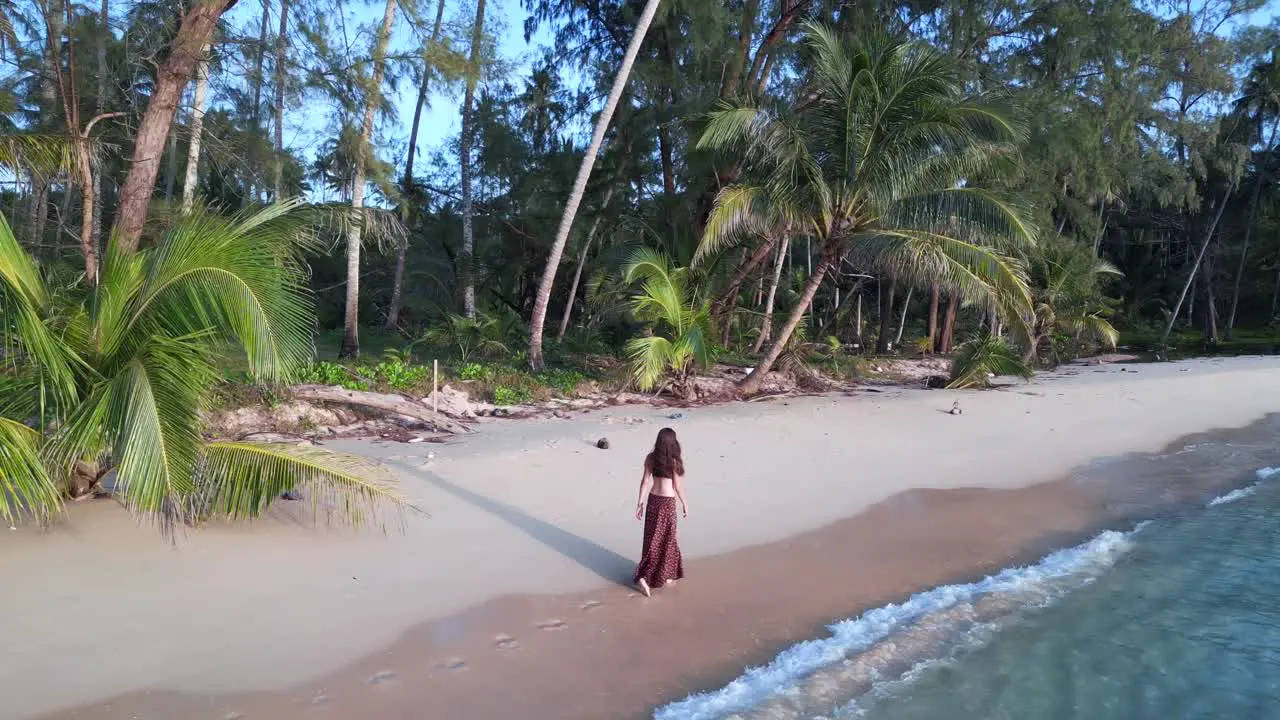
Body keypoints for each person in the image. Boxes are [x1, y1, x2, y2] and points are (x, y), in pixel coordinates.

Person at [633, 427, 688, 597]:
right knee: (667, 539)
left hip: (653, 501)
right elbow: (678, 487)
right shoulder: (673, 461)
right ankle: (657, 575)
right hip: (667, 503)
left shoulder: (650, 458)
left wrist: (640, 503)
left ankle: (650, 575)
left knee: (652, 540)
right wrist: (685, 504)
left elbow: (645, 482)